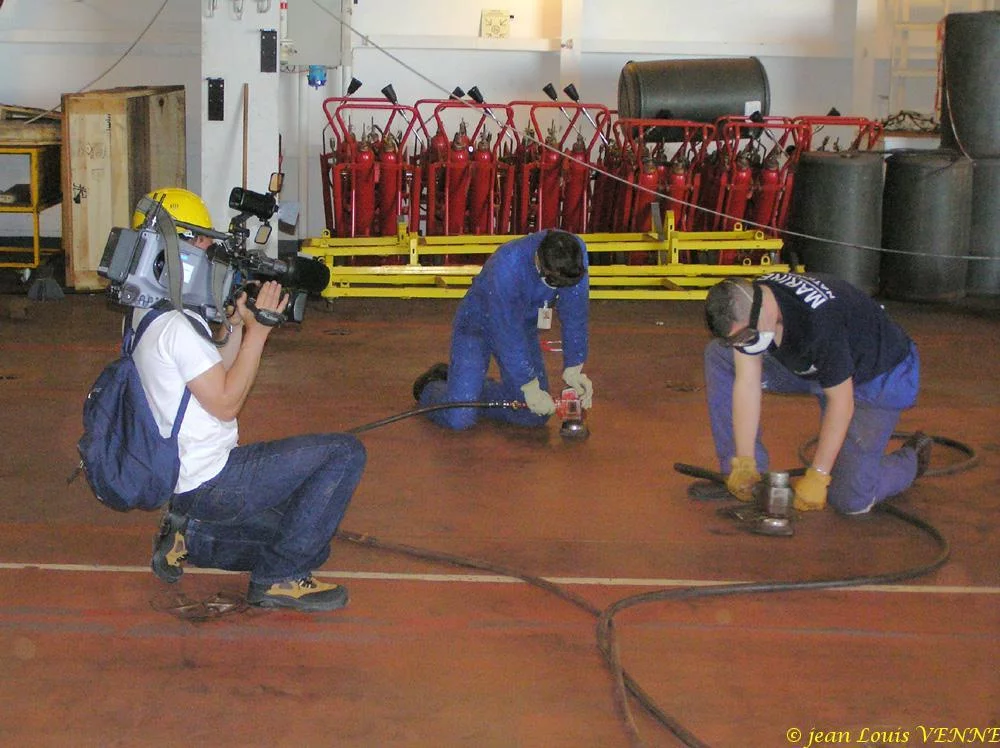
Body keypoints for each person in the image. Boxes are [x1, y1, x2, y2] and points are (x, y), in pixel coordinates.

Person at [132, 188, 366, 612]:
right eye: (200, 239)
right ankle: (278, 579)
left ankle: (192, 537)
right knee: (344, 454)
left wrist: (238, 325)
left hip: (184, 477)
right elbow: (224, 403)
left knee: (305, 539)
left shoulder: (150, 313)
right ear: (173, 242)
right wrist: (260, 333)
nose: (207, 248)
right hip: (214, 478)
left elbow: (207, 375)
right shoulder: (177, 327)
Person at [699, 271, 932, 515]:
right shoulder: (751, 301)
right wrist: (744, 461)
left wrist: (819, 476)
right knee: (720, 355)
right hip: (820, 365)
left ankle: (911, 460)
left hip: (876, 377)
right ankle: (745, 476)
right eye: (737, 338)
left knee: (851, 500)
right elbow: (747, 381)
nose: (744, 342)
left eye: (746, 335)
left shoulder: (818, 324)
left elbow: (841, 403)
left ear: (762, 309)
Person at [412, 229, 594, 430]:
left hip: (523, 328)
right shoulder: (506, 266)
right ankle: (431, 387)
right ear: (539, 264)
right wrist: (529, 386)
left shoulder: (574, 253)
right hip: (478, 326)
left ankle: (469, 389)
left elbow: (575, 312)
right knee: (459, 418)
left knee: (533, 415)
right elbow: (508, 337)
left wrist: (574, 366)